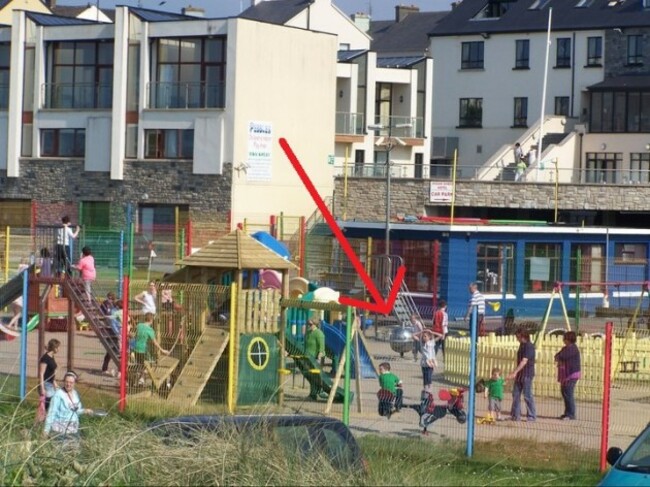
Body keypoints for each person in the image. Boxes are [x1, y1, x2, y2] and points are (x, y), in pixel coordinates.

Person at [43, 371, 93, 438]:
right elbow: (51, 413)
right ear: (64, 382)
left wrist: (84, 411)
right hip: (60, 432)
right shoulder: (58, 395)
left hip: (74, 431)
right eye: (66, 382)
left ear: (74, 383)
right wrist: (46, 431)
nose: (68, 384)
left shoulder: (75, 394)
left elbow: (75, 410)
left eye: (71, 382)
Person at [507, 328, 537, 422]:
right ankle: (516, 415)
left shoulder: (529, 346)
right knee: (515, 394)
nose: (517, 339)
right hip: (520, 375)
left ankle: (531, 416)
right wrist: (516, 373)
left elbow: (524, 361)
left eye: (518, 337)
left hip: (527, 374)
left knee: (527, 395)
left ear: (523, 336)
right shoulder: (522, 345)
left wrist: (514, 372)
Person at [132, 312, 169, 386]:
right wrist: (162, 350)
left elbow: (134, 336)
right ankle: (141, 379)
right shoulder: (150, 330)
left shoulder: (139, 325)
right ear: (151, 320)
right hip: (143, 350)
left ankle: (136, 380)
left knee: (140, 364)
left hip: (136, 348)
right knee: (149, 364)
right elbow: (155, 342)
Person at [555, 331, 581, 420]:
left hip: (571, 374)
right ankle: (567, 413)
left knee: (568, 393)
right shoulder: (565, 348)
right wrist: (559, 358)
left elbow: (562, 356)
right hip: (565, 374)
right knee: (564, 392)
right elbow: (557, 356)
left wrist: (560, 358)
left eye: (564, 338)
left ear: (569, 339)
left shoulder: (572, 348)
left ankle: (571, 414)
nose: (563, 340)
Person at [305, 316, 325, 400]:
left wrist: (319, 357)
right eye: (307, 324)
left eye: (310, 324)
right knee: (309, 375)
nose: (308, 326)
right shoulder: (308, 333)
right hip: (309, 357)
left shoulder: (319, 333)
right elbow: (305, 344)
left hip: (316, 357)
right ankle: (312, 393)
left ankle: (315, 393)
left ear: (315, 324)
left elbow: (321, 347)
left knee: (315, 376)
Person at [39, 339, 61, 410]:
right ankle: (43, 418)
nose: (58, 349)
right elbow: (41, 373)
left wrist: (55, 384)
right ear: (54, 348)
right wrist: (42, 388)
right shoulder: (45, 358)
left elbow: (51, 373)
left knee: (58, 399)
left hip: (51, 383)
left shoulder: (52, 356)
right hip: (46, 384)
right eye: (57, 347)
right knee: (49, 405)